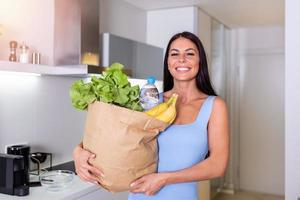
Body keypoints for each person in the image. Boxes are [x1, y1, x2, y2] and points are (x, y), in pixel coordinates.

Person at [73, 31, 229, 200]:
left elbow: (218, 165)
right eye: (174, 54)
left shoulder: (214, 106)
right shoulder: (150, 99)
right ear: (168, 63)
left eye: (190, 54)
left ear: (200, 61)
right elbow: (114, 134)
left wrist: (164, 179)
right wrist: (78, 151)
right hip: (140, 196)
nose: (181, 59)